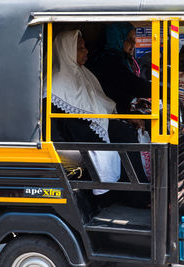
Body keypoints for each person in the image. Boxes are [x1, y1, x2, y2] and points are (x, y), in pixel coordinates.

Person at [44, 30, 148, 199]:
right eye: (80, 48)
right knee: (124, 136)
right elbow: (63, 126)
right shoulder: (54, 84)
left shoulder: (83, 73)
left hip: (95, 127)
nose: (86, 51)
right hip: (79, 136)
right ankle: (137, 196)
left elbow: (101, 104)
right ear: (67, 50)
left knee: (129, 130)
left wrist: (124, 117)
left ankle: (140, 191)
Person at [90, 22, 150, 131]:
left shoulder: (123, 59)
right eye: (129, 39)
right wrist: (162, 91)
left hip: (119, 110)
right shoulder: (109, 59)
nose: (134, 43)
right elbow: (133, 85)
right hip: (109, 114)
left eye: (134, 39)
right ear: (118, 38)